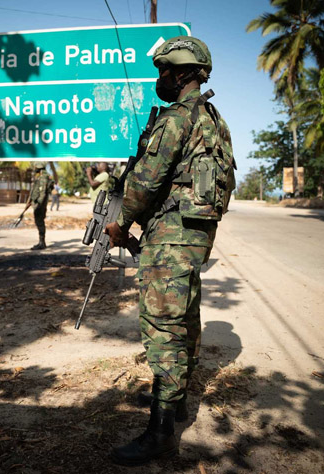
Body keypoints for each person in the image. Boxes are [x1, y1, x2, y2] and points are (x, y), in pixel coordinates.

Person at [103, 35, 234, 466]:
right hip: (193, 236)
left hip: (171, 235)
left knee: (162, 327)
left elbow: (146, 179)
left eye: (163, 70)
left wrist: (120, 225)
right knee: (185, 317)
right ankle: (174, 401)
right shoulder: (214, 118)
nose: (159, 77)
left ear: (181, 73)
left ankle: (160, 433)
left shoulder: (178, 117)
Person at [27, 163, 53, 249]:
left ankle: (42, 243)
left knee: (39, 222)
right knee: (39, 222)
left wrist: (38, 204)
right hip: (39, 203)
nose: (35, 169)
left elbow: (42, 192)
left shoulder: (43, 177)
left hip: (40, 204)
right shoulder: (43, 176)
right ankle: (41, 242)